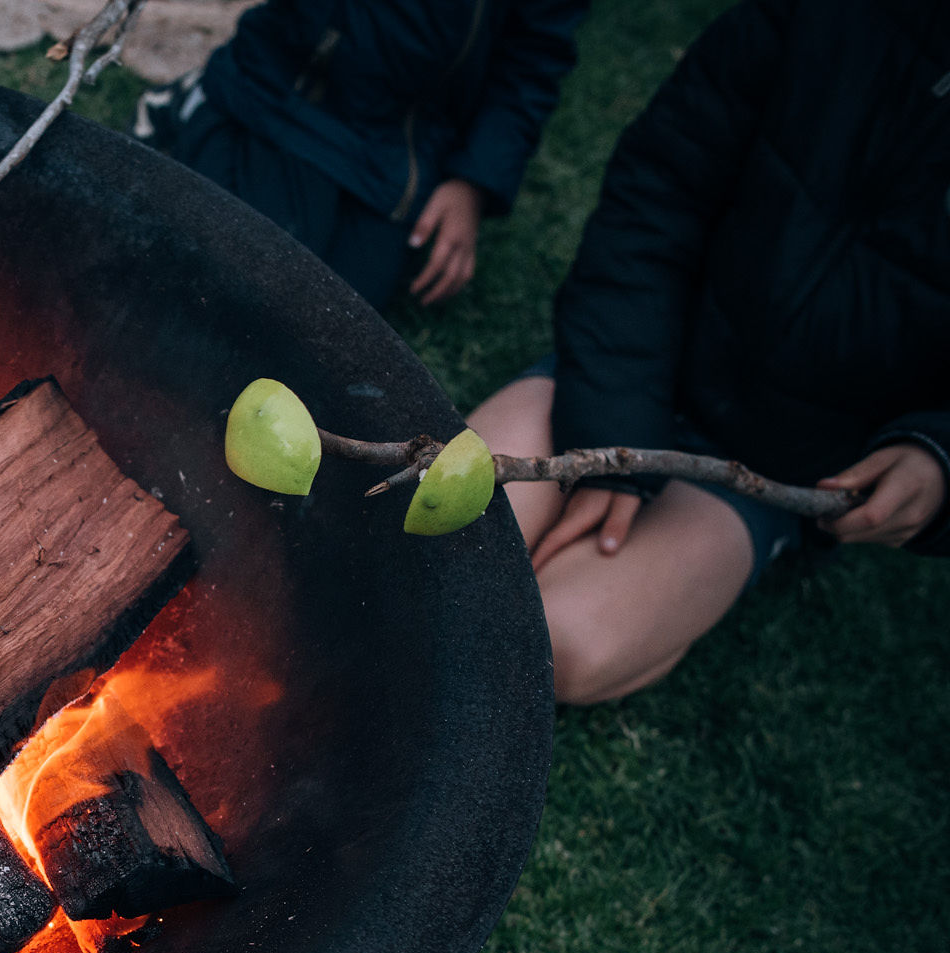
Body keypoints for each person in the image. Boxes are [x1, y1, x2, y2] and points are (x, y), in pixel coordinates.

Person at [466, 0, 950, 706]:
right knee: (439, 534)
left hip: (781, 469)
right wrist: (613, 431)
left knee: (556, 643)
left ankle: (712, 575)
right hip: (639, 358)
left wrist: (938, 454)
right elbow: (660, 189)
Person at [137, 0, 589, 308]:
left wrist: (475, 181)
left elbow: (534, 59)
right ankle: (193, 106)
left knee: (333, 318)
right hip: (279, 94)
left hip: (404, 148)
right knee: (221, 279)